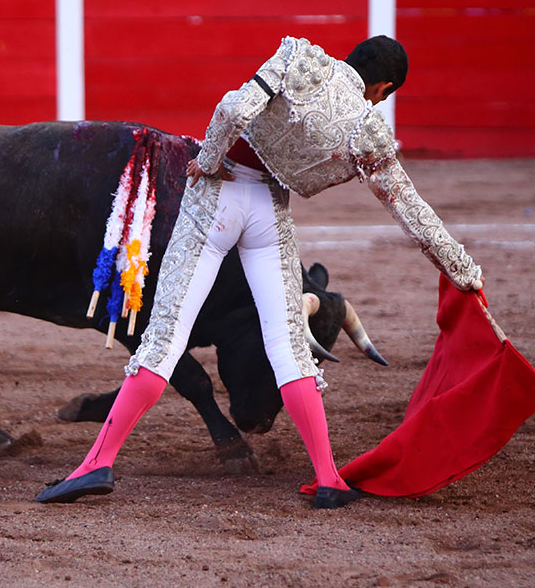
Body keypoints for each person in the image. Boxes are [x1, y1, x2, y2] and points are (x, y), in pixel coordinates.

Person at [36, 35, 483, 509]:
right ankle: (329, 478)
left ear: (351, 57)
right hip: (270, 214)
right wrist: (464, 270)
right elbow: (412, 212)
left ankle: (96, 464)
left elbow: (231, 110)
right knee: (290, 349)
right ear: (383, 87)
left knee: (164, 338)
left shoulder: (301, 57)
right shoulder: (370, 131)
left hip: (218, 199)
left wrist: (206, 162)